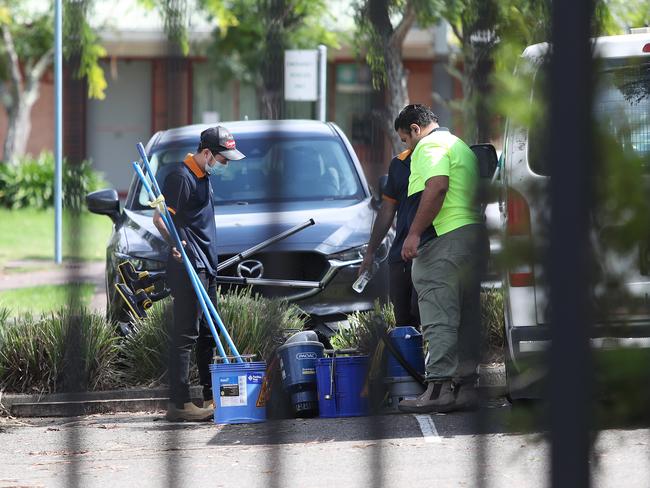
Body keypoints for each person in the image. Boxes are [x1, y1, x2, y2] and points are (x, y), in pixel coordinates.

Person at [394, 104, 487, 414]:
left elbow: (437, 185)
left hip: (443, 239)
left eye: (405, 139)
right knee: (466, 315)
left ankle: (437, 391)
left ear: (415, 130)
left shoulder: (429, 145)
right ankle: (465, 388)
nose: (407, 147)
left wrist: (414, 233)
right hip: (472, 237)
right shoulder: (459, 145)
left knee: (439, 315)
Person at [153, 126, 246, 422]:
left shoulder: (203, 175)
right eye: (223, 158)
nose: (225, 164)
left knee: (208, 332)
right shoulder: (180, 177)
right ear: (207, 153)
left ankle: (210, 397)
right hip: (188, 266)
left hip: (206, 265)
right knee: (186, 334)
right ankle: (179, 404)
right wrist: (175, 245)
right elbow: (160, 218)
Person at [359, 149, 420, 328]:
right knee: (404, 322)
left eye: (405, 138)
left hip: (431, 251)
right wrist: (370, 252)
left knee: (428, 317)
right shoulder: (399, 163)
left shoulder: (443, 157)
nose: (406, 145)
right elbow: (387, 209)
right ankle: (408, 355)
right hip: (401, 257)